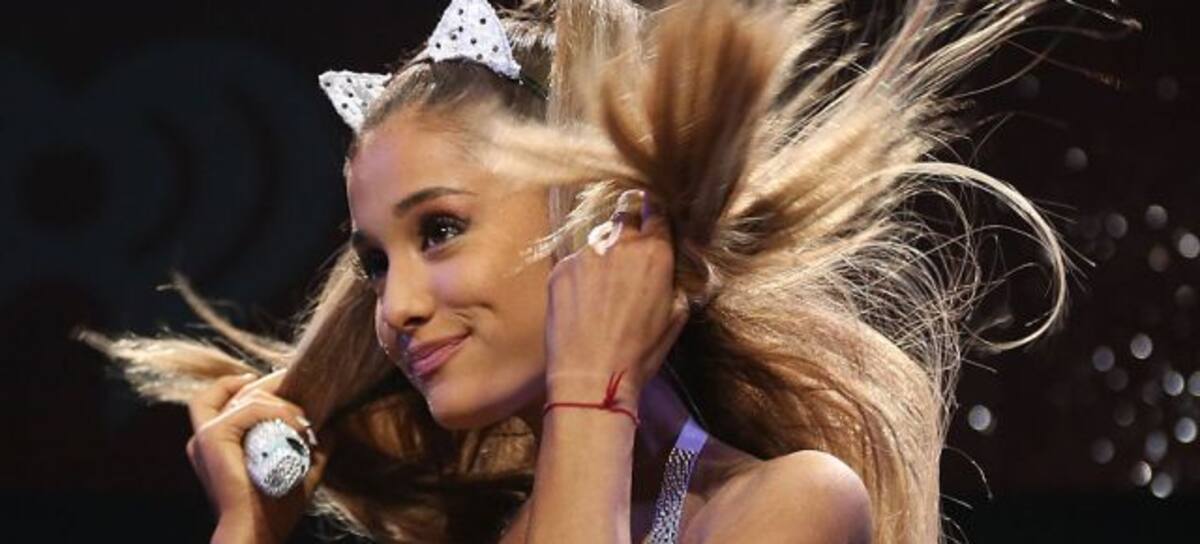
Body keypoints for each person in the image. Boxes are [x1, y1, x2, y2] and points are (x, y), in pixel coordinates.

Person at [80, 0, 1071, 542]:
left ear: (590, 210)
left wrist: (594, 385)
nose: (396, 307)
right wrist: (249, 533)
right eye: (374, 262)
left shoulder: (787, 507)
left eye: (440, 230)